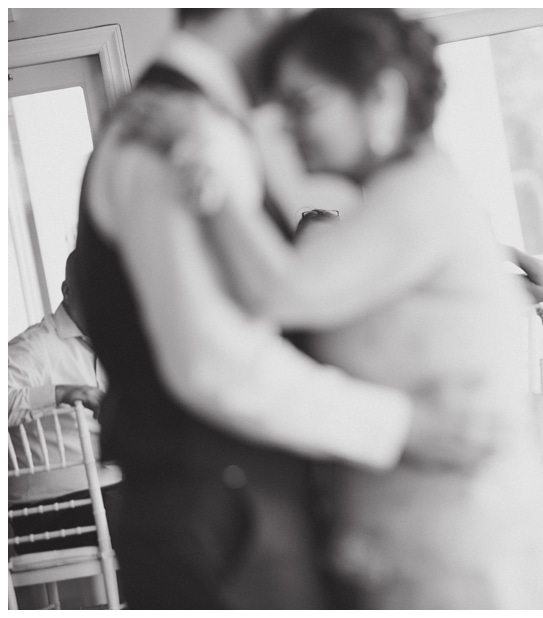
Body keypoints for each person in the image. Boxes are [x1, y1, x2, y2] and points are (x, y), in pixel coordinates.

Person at [156, 8, 543, 609]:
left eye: (304, 102)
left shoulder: (414, 196)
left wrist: (208, 176)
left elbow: (284, 293)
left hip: (461, 538)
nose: (287, 125)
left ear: (381, 96)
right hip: (419, 520)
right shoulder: (393, 199)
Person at [73, 8, 496, 609]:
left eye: (306, 103)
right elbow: (214, 361)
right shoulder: (183, 134)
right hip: (225, 525)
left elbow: (286, 293)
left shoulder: (202, 129)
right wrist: (399, 426)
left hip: (246, 516)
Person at [8, 251, 122, 553]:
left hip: (112, 492)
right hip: (55, 510)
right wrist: (61, 393)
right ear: (67, 291)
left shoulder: (117, 346)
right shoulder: (33, 348)